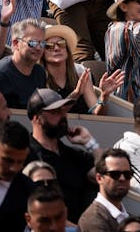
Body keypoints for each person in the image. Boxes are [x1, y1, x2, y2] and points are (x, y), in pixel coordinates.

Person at [26, 88, 99, 221]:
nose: (63, 116)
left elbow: (107, 174)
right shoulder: (26, 156)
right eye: (55, 112)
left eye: (64, 111)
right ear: (37, 118)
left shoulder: (74, 155)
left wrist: (89, 142)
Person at [0, 18, 48, 109]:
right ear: (16, 43)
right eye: (32, 43)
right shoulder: (0, 75)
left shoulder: (40, 72)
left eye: (42, 43)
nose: (39, 48)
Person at [77, 148, 134, 232]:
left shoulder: (129, 217)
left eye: (127, 174)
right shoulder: (92, 219)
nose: (122, 178)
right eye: (115, 174)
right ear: (99, 178)